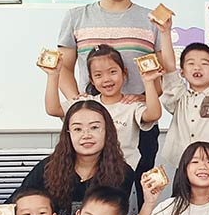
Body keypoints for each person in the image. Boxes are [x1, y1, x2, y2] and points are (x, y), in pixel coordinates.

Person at [55, 0, 162, 194]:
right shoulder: (76, 16)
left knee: (140, 189)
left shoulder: (152, 20)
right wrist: (79, 102)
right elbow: (63, 68)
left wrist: (147, 97)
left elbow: (164, 71)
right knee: (90, 192)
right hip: (91, 122)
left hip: (137, 120)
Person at [43, 44, 163, 176]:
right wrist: (53, 76)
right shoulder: (85, 103)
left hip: (122, 175)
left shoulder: (131, 105)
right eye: (98, 75)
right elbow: (53, 109)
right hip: (89, 173)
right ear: (92, 80)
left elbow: (153, 114)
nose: (107, 79)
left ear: (124, 73)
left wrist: (148, 82)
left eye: (112, 72)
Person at [14, 100, 135, 215]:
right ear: (68, 134)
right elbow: (15, 204)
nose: (86, 135)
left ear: (107, 131)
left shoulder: (122, 172)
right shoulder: (48, 167)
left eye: (94, 127)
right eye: (77, 129)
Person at [156, 3, 209, 168]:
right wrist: (165, 32)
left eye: (204, 63)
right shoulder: (179, 98)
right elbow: (169, 70)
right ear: (182, 72)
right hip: (185, 165)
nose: (197, 67)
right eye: (191, 63)